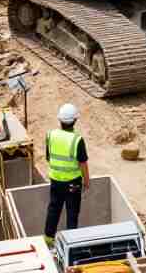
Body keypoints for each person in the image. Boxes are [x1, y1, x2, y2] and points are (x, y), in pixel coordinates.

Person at [43, 103, 89, 245]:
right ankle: (71, 243)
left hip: (56, 180)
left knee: (54, 209)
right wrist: (86, 181)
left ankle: (48, 239)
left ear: (60, 120)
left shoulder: (51, 135)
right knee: (72, 212)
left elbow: (48, 157)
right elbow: (83, 163)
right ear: (75, 120)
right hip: (73, 183)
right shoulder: (77, 140)